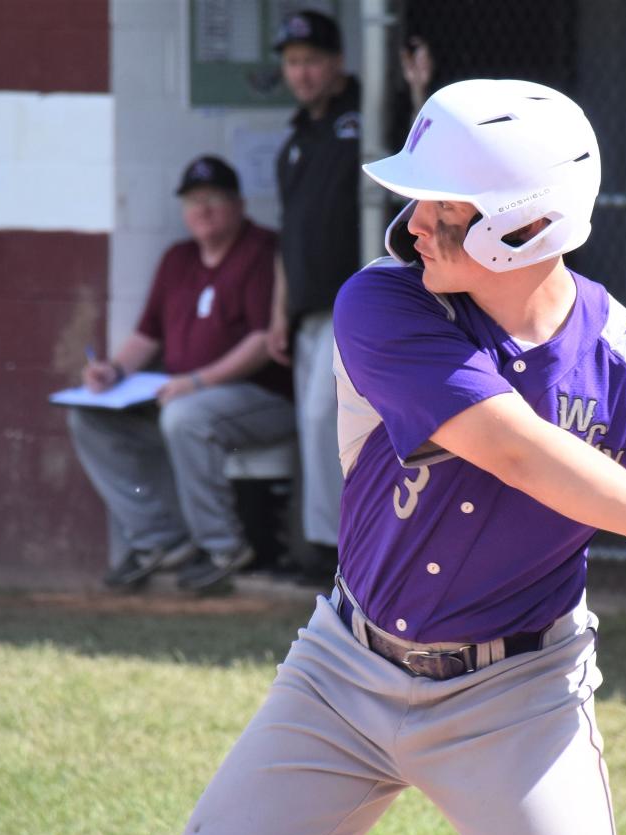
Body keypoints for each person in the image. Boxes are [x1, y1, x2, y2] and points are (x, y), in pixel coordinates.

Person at [173, 80, 626, 835]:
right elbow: (513, 448)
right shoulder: (381, 303)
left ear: (529, 224)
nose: (415, 226)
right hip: (344, 673)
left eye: (447, 208)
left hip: (520, 698)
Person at [68, 156, 293, 594]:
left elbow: (262, 341)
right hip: (182, 397)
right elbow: (146, 335)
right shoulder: (178, 257)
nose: (202, 211)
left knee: (184, 417)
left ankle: (223, 548)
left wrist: (195, 383)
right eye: (192, 202)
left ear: (240, 204)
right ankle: (159, 539)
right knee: (88, 419)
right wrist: (111, 370)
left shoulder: (261, 250)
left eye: (213, 200)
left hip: (260, 398)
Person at [266, 9, 357, 581]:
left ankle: (341, 549)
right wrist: (277, 310)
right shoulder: (296, 137)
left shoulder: (367, 115)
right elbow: (287, 229)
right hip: (305, 311)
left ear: (337, 63)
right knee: (315, 427)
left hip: (355, 303)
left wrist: (417, 83)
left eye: (311, 61)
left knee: (332, 423)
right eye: (293, 63)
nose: (301, 74)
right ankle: (325, 551)